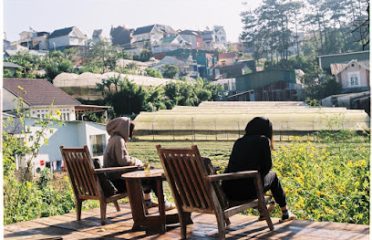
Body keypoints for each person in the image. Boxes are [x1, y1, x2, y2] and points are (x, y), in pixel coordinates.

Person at [221, 117, 296, 223]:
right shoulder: (263, 140)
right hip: (248, 192)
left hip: (230, 190)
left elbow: (232, 166)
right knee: (272, 176)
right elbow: (267, 167)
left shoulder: (239, 142)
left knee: (254, 180)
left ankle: (263, 210)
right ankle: (285, 212)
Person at [103, 117, 175, 210]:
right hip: (120, 180)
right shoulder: (118, 140)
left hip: (115, 177)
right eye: (130, 130)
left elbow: (120, 160)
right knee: (151, 173)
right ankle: (163, 202)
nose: (131, 133)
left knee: (148, 169)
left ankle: (147, 201)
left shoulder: (113, 139)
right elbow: (123, 161)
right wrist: (137, 161)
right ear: (124, 128)